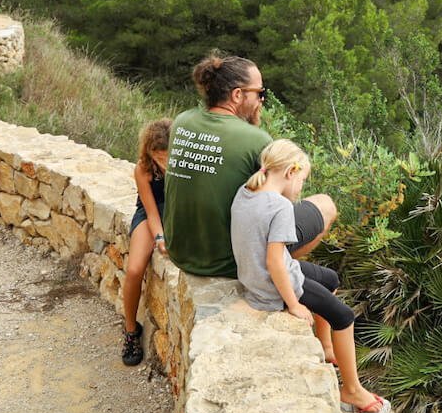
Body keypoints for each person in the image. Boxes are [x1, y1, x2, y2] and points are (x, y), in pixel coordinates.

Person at [231, 139, 390, 413]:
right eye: (302, 180)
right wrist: (293, 304)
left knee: (330, 278)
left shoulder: (245, 192)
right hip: (272, 285)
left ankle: (327, 348)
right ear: (290, 172)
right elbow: (275, 262)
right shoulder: (279, 207)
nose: (301, 188)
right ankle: (351, 390)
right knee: (343, 316)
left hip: (253, 276)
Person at [163, 52, 336, 277]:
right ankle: (272, 273)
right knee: (326, 205)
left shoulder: (182, 121)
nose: (262, 100)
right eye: (259, 93)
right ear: (237, 95)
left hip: (180, 251)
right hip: (227, 262)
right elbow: (280, 206)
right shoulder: (255, 140)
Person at [121, 118, 171, 366]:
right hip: (151, 212)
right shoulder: (143, 169)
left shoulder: (184, 166)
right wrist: (160, 237)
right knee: (134, 269)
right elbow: (151, 211)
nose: (163, 162)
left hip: (175, 212)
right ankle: (131, 330)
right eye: (158, 157)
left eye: (167, 157)